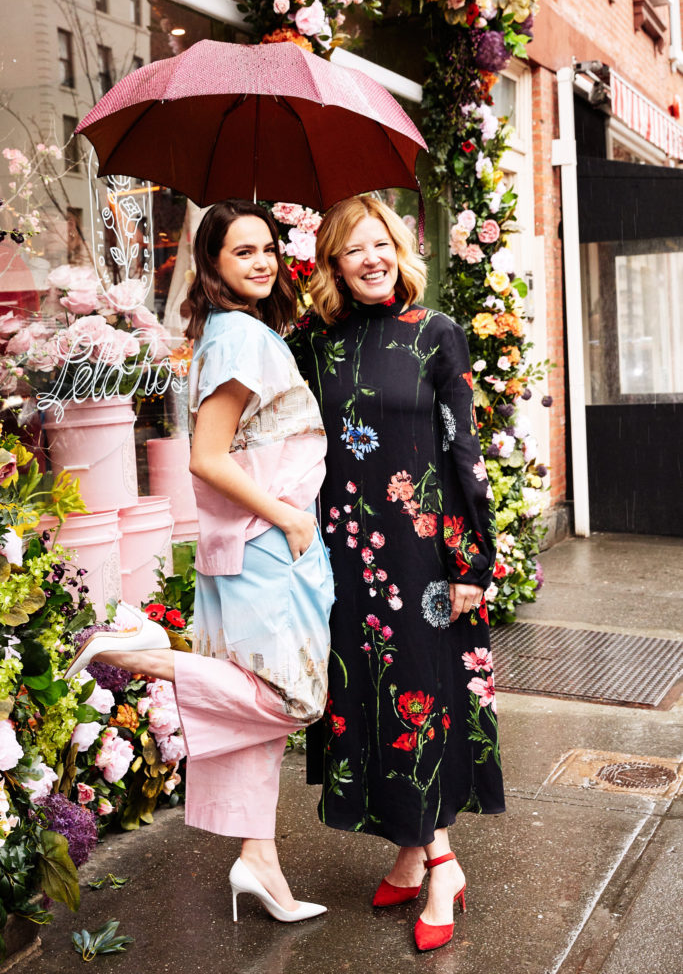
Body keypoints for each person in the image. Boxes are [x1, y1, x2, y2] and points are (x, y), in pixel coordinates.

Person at [66, 200, 334, 924]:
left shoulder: (231, 332)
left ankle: (259, 863)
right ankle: (146, 654)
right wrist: (285, 517)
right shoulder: (242, 336)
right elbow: (206, 457)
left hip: (252, 543)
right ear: (211, 266)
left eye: (267, 247)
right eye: (241, 250)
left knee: (256, 713)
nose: (261, 260)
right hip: (267, 542)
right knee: (287, 697)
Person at [287, 195, 504, 952]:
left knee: (422, 698)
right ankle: (411, 854)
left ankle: (440, 862)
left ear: (399, 251)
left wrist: (473, 558)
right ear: (333, 264)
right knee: (366, 700)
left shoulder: (434, 333)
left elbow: (463, 452)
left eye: (381, 243)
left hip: (424, 558)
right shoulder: (311, 345)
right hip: (346, 553)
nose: (371, 259)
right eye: (353, 249)